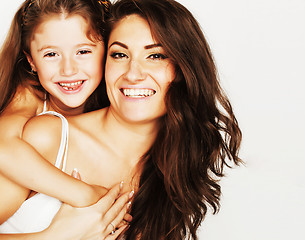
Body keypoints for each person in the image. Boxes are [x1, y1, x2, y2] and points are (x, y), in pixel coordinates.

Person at [15, 0, 242, 239]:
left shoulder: (175, 168)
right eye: (120, 54)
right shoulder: (48, 137)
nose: (133, 74)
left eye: (155, 56)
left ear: (183, 70)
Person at [0, 0, 131, 238]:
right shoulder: (28, 98)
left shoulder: (120, 109)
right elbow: (2, 146)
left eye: (83, 51)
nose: (68, 70)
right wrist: (85, 196)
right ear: (31, 61)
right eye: (51, 54)